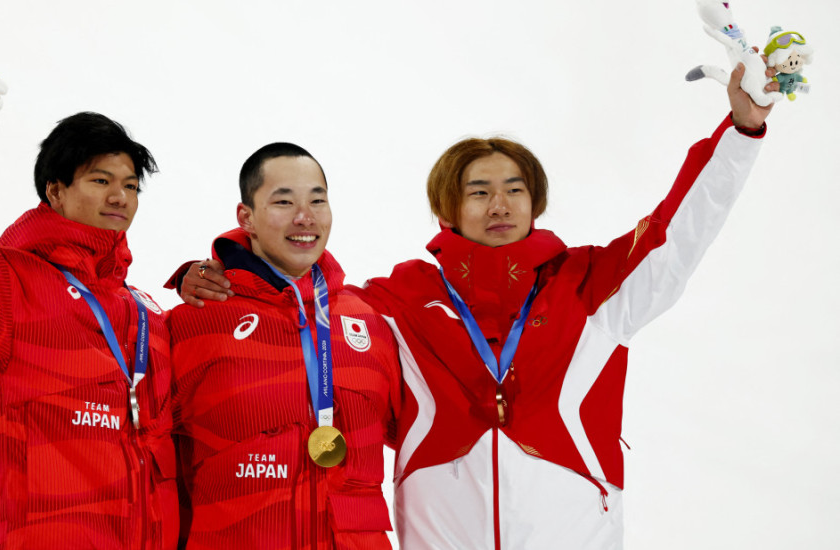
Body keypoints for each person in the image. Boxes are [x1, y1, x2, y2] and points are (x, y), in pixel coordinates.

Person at [178, 61, 776, 549]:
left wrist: (740, 133)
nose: (500, 205)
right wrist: (216, 273)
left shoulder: (593, 288)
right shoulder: (400, 301)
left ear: (535, 203)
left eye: (515, 189)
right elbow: (297, 311)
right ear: (448, 210)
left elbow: (681, 231)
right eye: (480, 191)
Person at [0, 57, 177, 549]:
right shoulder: (11, 283)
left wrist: (216, 275)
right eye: (100, 180)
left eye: (131, 185)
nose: (120, 195)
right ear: (54, 190)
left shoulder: (145, 312)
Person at [166, 143, 401, 548]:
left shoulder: (369, 322)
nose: (304, 216)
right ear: (247, 217)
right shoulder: (192, 324)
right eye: (283, 201)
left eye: (317, 200)